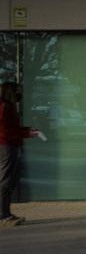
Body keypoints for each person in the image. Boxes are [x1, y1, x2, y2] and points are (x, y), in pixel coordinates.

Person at [0, 82, 40, 227]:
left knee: (8, 180)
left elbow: (11, 128)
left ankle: (6, 213)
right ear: (10, 92)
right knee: (5, 181)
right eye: (17, 91)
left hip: (9, 145)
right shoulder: (4, 108)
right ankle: (3, 216)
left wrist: (27, 129)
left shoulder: (8, 107)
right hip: (5, 146)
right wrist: (27, 134)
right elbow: (6, 131)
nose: (19, 94)